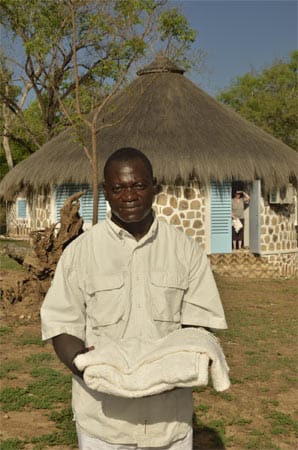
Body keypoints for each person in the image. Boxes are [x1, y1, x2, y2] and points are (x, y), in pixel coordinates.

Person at [41, 147, 227, 450]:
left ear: (155, 187)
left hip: (170, 423)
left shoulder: (185, 250)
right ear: (106, 193)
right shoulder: (80, 252)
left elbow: (199, 328)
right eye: (118, 188)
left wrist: (170, 369)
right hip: (103, 424)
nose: (129, 195)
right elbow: (61, 323)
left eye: (139, 185)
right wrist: (91, 368)